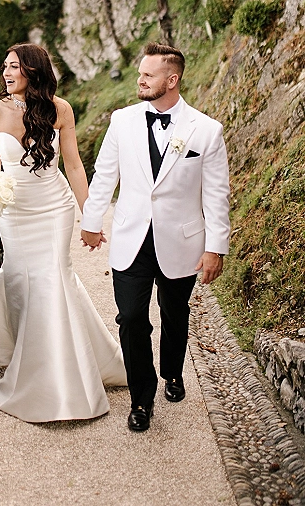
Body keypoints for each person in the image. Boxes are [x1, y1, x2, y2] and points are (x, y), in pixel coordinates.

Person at [0, 43, 126, 422]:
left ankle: (58, 378)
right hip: (15, 213)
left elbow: (76, 167)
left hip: (53, 209)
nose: (6, 72)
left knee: (51, 280)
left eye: (14, 66)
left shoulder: (60, 109)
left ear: (33, 70)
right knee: (19, 278)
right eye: (4, 66)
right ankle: (28, 350)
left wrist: (91, 217)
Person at [81, 42, 230, 433]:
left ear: (172, 79)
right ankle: (141, 399)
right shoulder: (122, 120)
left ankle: (173, 372)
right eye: (140, 73)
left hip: (181, 240)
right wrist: (91, 221)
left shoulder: (207, 131)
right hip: (131, 238)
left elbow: (216, 194)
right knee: (131, 319)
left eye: (147, 75)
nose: (140, 80)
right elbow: (105, 174)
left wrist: (216, 247)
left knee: (175, 312)